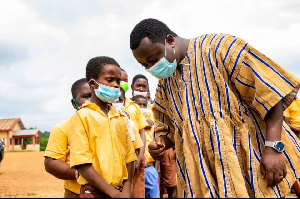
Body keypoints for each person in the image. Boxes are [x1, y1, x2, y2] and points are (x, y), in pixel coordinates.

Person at [130, 18, 300, 198]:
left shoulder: (222, 48)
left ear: (170, 41)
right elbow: (167, 128)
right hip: (206, 182)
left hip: (252, 169)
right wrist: (161, 142)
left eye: (153, 59)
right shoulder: (166, 84)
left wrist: (274, 148)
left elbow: (271, 96)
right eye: (145, 65)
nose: (151, 68)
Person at [69, 56, 137, 198]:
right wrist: (113, 193)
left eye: (118, 81)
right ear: (93, 83)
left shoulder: (120, 117)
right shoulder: (82, 117)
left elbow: (130, 157)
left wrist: (127, 188)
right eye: (110, 80)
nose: (116, 85)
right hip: (93, 193)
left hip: (120, 192)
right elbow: (82, 163)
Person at [44, 78, 92, 198]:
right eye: (86, 96)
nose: (92, 101)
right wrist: (85, 174)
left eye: (95, 95)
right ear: (74, 103)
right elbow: (51, 163)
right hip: (77, 192)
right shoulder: (62, 128)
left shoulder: (113, 123)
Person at [131, 74, 177, 198]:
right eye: (138, 86)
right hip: (137, 163)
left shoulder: (153, 109)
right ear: (132, 87)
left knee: (163, 187)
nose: (141, 89)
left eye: (143, 86)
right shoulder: (128, 109)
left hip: (155, 161)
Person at [121, 69, 148, 198]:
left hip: (136, 157)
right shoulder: (109, 104)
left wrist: (141, 155)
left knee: (136, 191)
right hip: (118, 159)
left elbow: (141, 131)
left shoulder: (134, 106)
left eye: (124, 80)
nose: (120, 83)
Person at [132, 95, 160, 198]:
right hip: (135, 169)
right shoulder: (130, 123)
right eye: (139, 105)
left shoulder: (152, 126)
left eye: (144, 105)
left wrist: (155, 170)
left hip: (149, 167)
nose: (142, 107)